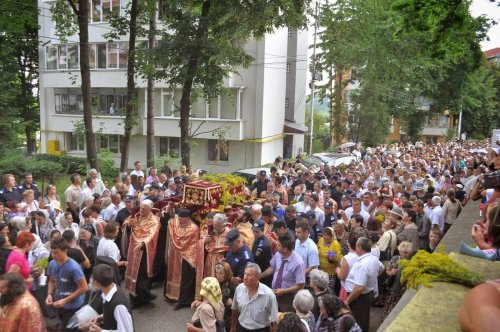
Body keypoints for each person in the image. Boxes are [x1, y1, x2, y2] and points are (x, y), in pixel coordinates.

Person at [46, 237, 88, 330]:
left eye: (56, 252)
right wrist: (49, 294)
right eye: (52, 252)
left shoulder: (73, 268)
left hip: (73, 307)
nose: (53, 255)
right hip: (59, 304)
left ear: (65, 251)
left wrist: (66, 300)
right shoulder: (52, 264)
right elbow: (51, 280)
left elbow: (84, 287)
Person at [124, 199, 160, 307]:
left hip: (144, 251)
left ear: (150, 209)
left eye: (144, 209)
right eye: (141, 208)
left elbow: (152, 235)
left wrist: (143, 243)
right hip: (133, 249)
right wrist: (129, 225)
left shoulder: (154, 220)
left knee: (141, 275)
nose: (141, 210)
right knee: (132, 272)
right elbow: (126, 223)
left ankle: (140, 298)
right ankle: (137, 296)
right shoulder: (136, 216)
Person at [345, 237, 385, 332]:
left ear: (359, 247)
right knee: (364, 317)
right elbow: (382, 268)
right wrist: (372, 278)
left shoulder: (362, 264)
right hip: (366, 294)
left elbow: (359, 288)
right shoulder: (373, 258)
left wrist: (347, 300)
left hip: (359, 298)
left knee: (358, 321)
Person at [165, 208, 200, 310]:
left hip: (186, 256)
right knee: (172, 274)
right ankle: (171, 295)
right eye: (179, 218)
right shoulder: (175, 222)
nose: (180, 221)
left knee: (185, 278)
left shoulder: (194, 228)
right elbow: (169, 221)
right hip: (174, 255)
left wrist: (192, 259)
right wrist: (168, 210)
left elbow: (194, 245)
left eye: (182, 219)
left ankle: (183, 301)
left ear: (188, 218)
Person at [260, 235, 305, 312]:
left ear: (285, 249)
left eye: (278, 245)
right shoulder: (278, 254)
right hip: (274, 294)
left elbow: (301, 285)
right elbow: (272, 268)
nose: (276, 246)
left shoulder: (298, 263)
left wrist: (284, 291)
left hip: (288, 299)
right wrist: (260, 276)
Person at [84, 264, 133, 332]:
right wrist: (100, 317)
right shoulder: (113, 288)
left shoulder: (119, 306)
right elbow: (112, 313)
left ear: (96, 283)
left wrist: (100, 331)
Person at [231, 263, 278, 332]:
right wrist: (233, 326)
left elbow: (274, 320)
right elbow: (234, 309)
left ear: (257, 277)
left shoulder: (269, 295)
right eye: (245, 274)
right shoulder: (239, 289)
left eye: (249, 275)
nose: (245, 278)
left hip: (261, 330)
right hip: (241, 328)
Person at [380, 241, 414, 323]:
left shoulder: (412, 262)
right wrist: (391, 273)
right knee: (389, 307)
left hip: (404, 289)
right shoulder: (395, 259)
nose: (404, 255)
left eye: (406, 253)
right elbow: (387, 270)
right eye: (402, 252)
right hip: (393, 288)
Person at [203, 213, 230, 278]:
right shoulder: (209, 231)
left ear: (224, 225)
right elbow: (199, 244)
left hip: (221, 261)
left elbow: (231, 248)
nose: (214, 227)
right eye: (214, 224)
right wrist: (204, 241)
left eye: (217, 225)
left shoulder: (229, 233)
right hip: (209, 260)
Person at [251, 219, 273, 287]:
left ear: (262, 231)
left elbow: (255, 259)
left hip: (263, 275)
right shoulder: (257, 239)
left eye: (257, 231)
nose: (254, 233)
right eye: (253, 231)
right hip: (258, 272)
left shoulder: (263, 245)